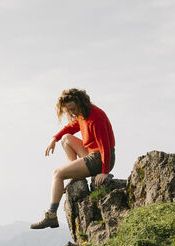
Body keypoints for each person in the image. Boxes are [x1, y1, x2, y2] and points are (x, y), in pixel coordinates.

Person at [31, 88, 115, 230]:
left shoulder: (96, 117)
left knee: (57, 174)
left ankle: (51, 215)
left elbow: (105, 146)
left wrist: (104, 171)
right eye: (69, 110)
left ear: (81, 103)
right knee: (65, 139)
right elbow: (70, 128)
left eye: (73, 109)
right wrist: (54, 139)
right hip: (92, 154)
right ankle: (76, 173)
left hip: (100, 158)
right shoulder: (82, 114)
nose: (72, 113)